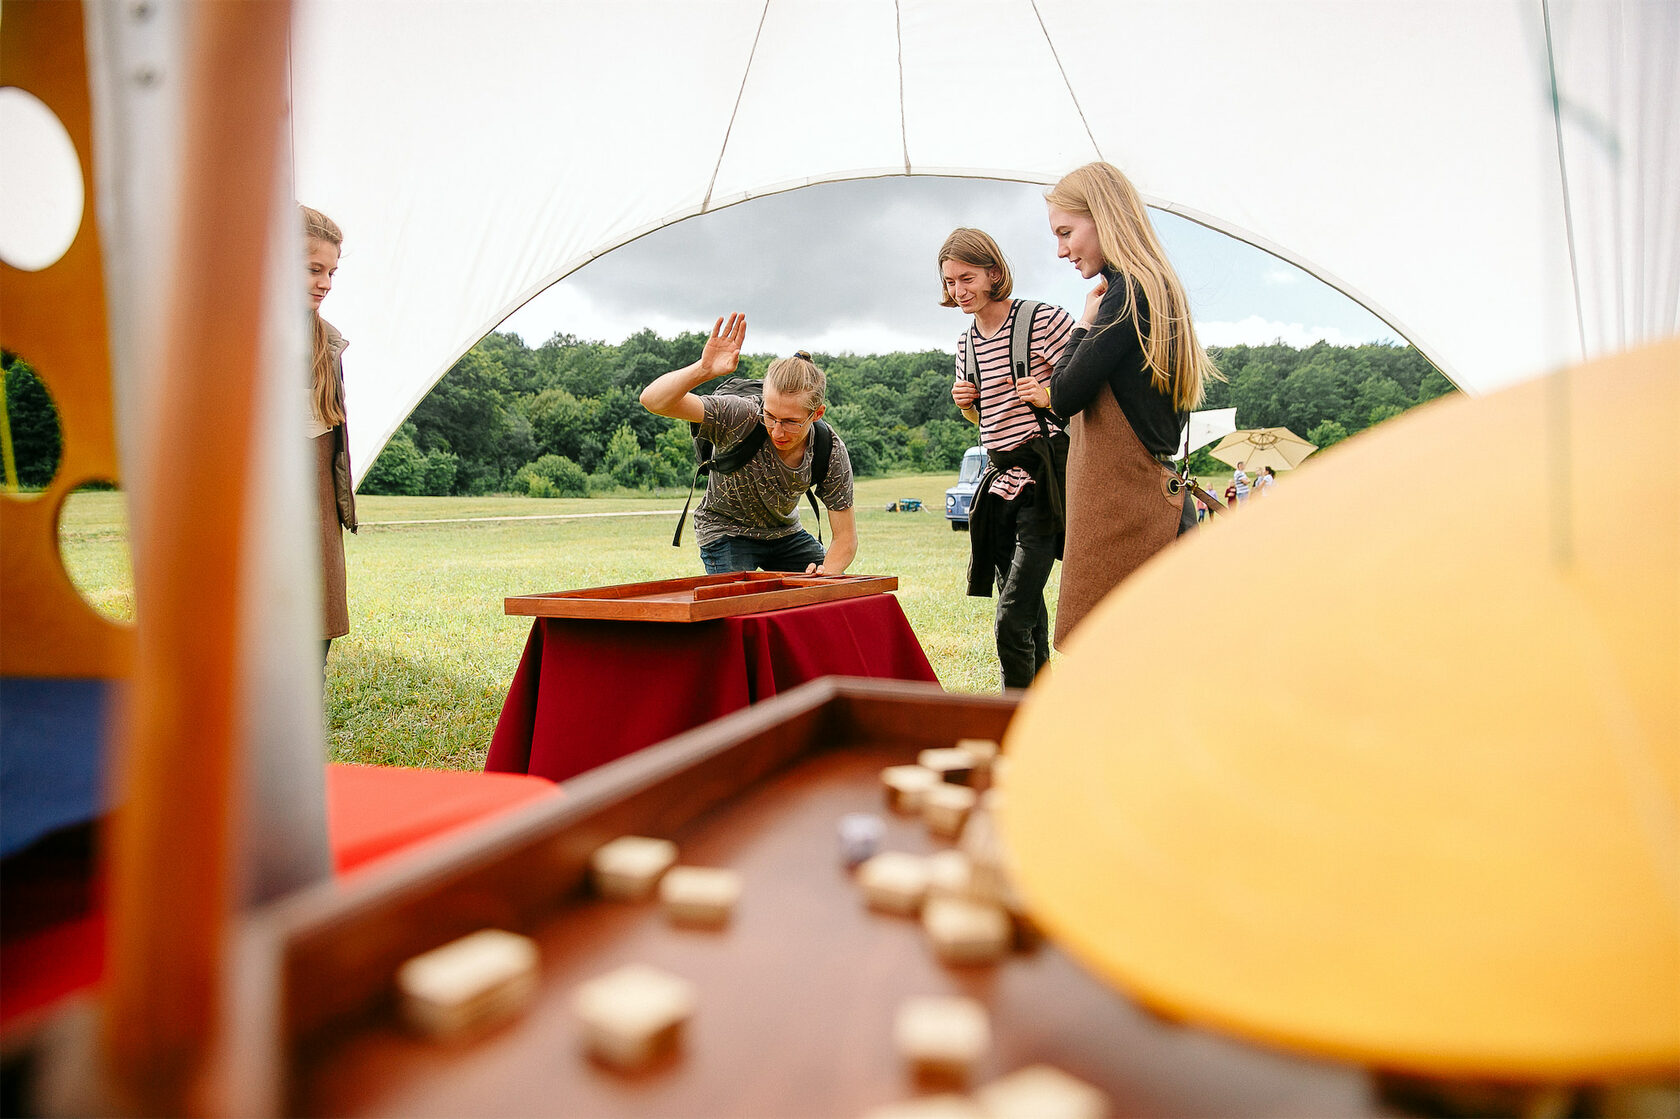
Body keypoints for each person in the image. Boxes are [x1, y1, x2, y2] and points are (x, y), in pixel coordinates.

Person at [1032, 162, 1217, 646]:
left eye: (1067, 232)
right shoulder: (1153, 286)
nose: (1061, 250)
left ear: (1104, 216)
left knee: (1121, 652)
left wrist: (1083, 325)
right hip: (1143, 500)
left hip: (1127, 506)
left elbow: (1065, 395)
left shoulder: (1127, 293)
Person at [939, 228, 1074, 689]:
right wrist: (966, 405)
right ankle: (1043, 713)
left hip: (1044, 482)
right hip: (1000, 482)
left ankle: (1014, 722)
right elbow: (987, 418)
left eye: (967, 277)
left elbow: (1090, 386)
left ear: (994, 273)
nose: (958, 291)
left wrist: (1049, 393)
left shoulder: (1043, 320)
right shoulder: (965, 344)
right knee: (1030, 615)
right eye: (950, 281)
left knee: (1010, 619)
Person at [640, 313, 856, 574]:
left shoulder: (829, 448)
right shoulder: (740, 414)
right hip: (726, 531)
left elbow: (845, 538)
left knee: (834, 593)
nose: (777, 430)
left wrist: (827, 575)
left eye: (790, 421)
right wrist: (703, 370)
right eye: (771, 415)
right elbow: (653, 400)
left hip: (785, 535)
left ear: (817, 414)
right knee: (738, 604)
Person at [303, 205, 357, 661]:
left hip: (315, 514)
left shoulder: (328, 343)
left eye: (332, 272)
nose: (326, 283)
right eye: (313, 269)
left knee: (312, 646)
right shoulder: (237, 337)